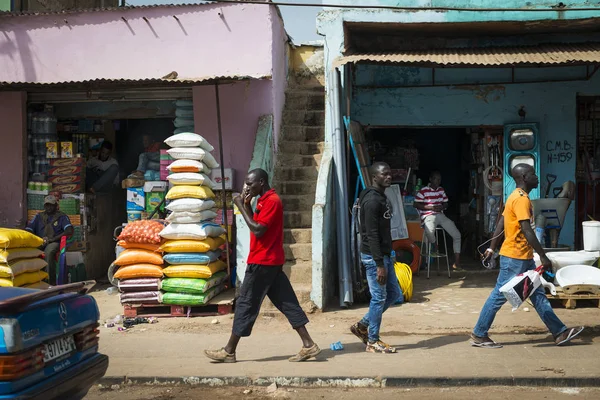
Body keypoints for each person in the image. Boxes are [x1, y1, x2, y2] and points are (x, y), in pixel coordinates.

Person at [204, 168, 320, 363]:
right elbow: (257, 224)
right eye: (246, 184)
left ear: (262, 182)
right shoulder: (263, 200)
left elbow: (258, 230)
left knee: (245, 303)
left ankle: (229, 351)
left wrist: (240, 205)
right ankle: (309, 345)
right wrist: (247, 205)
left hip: (262, 261)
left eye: (250, 184)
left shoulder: (272, 201)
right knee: (287, 302)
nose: (246, 188)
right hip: (269, 261)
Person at [472, 163, 584, 348]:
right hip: (515, 258)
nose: (537, 176)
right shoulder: (522, 199)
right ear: (524, 177)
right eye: (532, 174)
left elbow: (501, 222)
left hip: (522, 257)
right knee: (499, 296)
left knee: (537, 294)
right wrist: (543, 255)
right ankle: (479, 333)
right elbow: (527, 230)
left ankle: (560, 332)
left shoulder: (514, 196)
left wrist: (492, 248)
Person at [350, 162, 403, 354]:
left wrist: (389, 255)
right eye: (384, 175)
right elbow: (370, 234)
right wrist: (380, 264)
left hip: (384, 255)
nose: (388, 177)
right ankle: (373, 340)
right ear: (375, 177)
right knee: (379, 298)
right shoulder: (372, 201)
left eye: (389, 174)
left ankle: (362, 325)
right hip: (374, 258)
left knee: (394, 294)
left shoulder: (381, 196)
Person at [414, 171, 462, 270]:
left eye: (439, 179)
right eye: (436, 179)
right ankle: (435, 245)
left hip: (440, 215)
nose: (438, 181)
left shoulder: (441, 190)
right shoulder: (423, 190)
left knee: (457, 235)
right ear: (430, 179)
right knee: (429, 232)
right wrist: (430, 208)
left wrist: (441, 207)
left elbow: (446, 203)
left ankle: (457, 262)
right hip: (428, 216)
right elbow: (416, 204)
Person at [25, 195, 73, 285]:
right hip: (39, 241)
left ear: (56, 206)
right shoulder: (38, 216)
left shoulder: (62, 217)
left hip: (54, 242)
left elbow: (69, 230)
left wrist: (52, 239)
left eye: (51, 205)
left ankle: (50, 282)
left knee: (49, 252)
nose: (49, 207)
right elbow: (29, 229)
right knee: (28, 252)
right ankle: (32, 282)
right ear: (44, 206)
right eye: (47, 205)